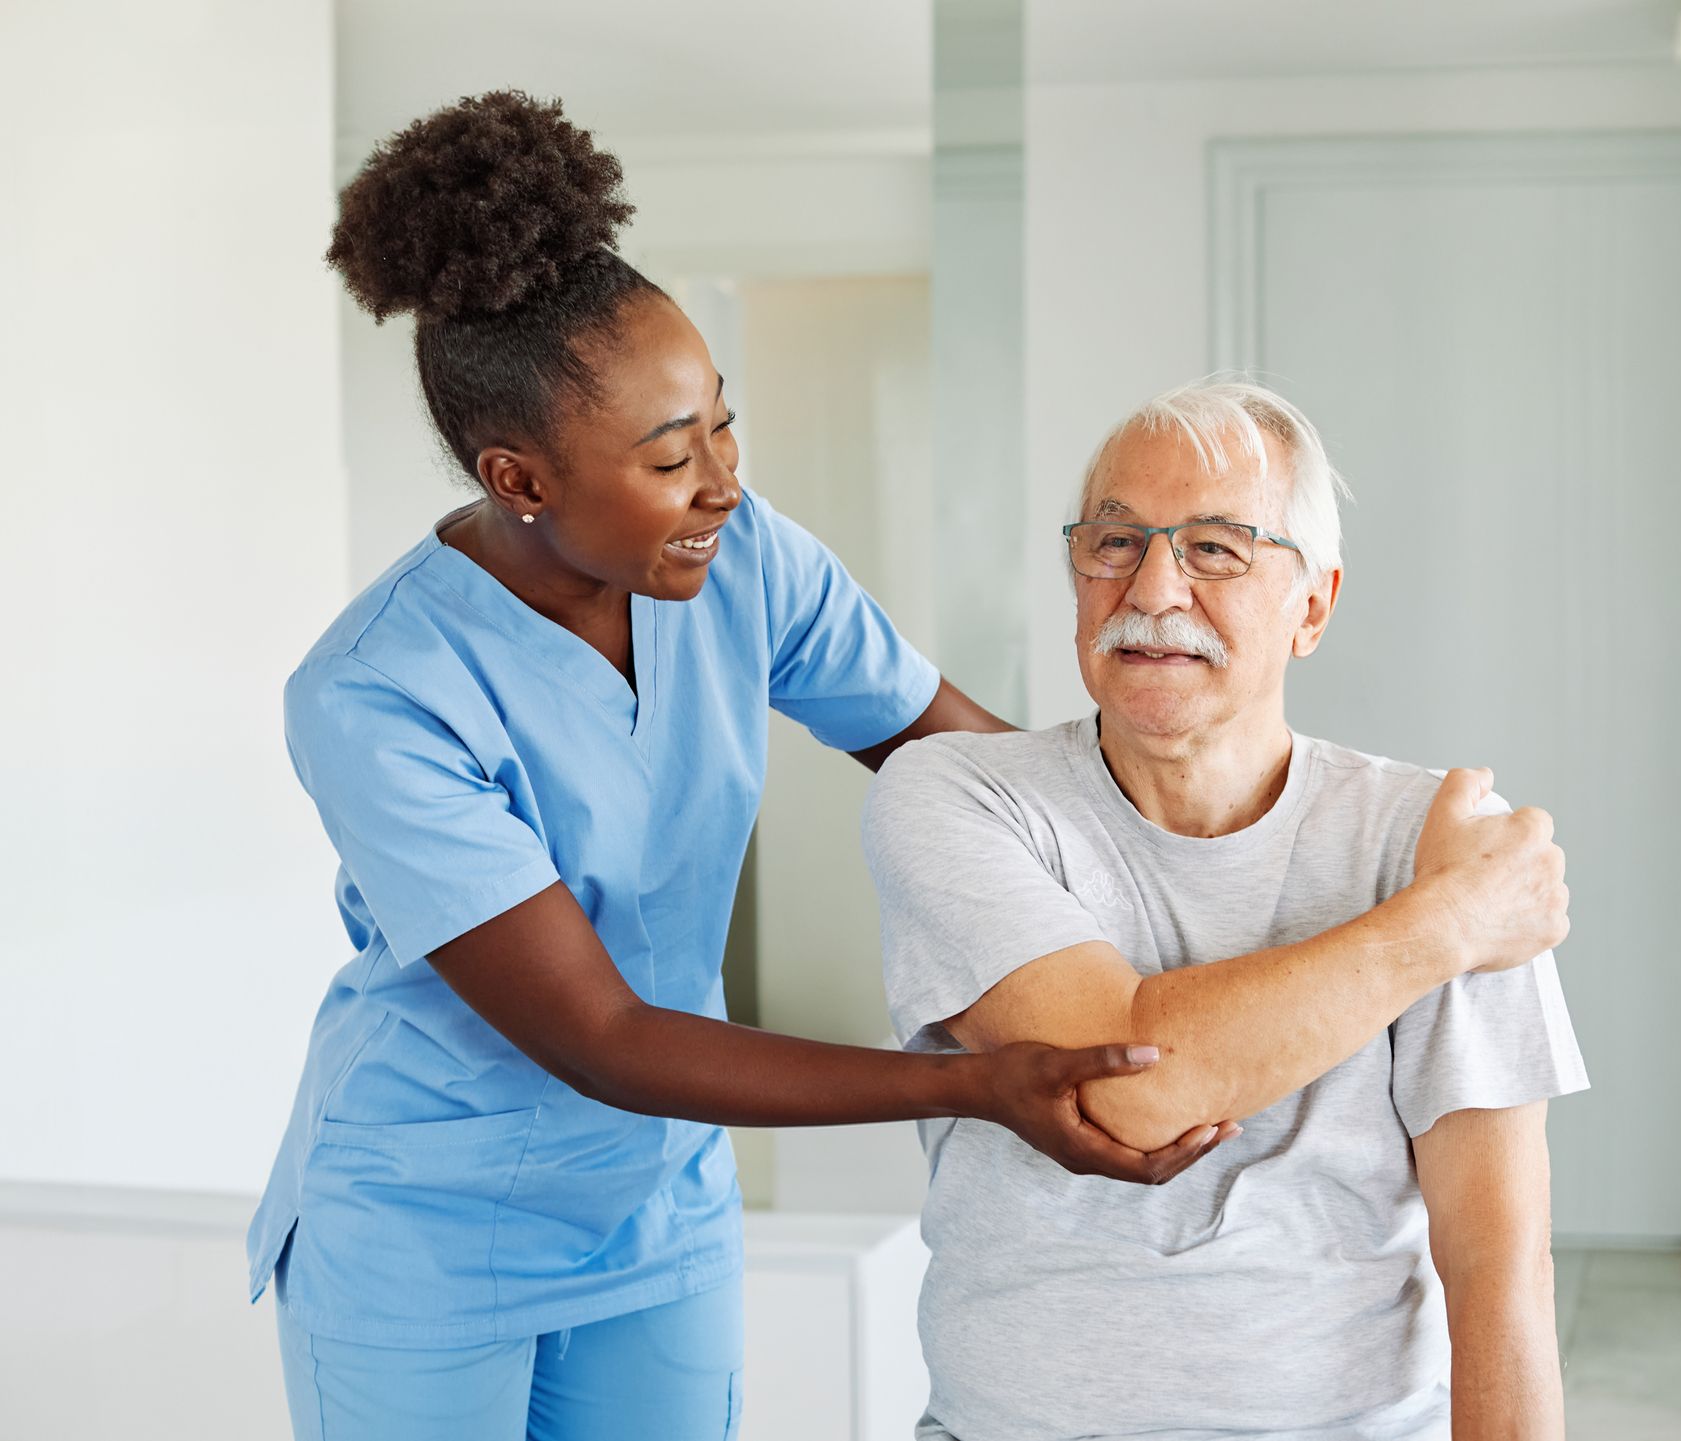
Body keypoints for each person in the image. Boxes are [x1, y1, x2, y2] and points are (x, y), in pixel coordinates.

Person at [244, 92, 1238, 1441]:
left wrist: (1215, 819)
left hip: (659, 1203)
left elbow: (960, 760)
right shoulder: (378, 692)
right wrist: (969, 1085)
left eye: (723, 424)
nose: (721, 481)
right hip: (428, 1229)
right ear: (517, 475)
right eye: (669, 457)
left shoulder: (740, 558)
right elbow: (600, 1036)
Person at [863, 379, 1589, 1441]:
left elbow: (1499, 1260)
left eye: (1217, 548)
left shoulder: (1430, 836)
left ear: (1314, 605)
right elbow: (1129, 1084)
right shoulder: (955, 796)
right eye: (1114, 542)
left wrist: (1447, 903)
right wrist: (1441, 928)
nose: (1152, 586)